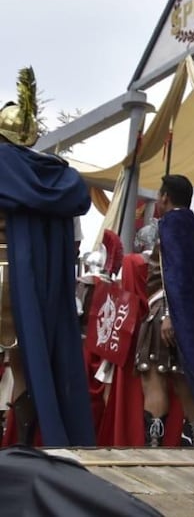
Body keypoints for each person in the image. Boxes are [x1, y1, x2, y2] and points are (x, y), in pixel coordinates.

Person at [0, 67, 95, 447]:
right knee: (26, 365)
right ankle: (22, 444)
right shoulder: (59, 177)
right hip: (34, 283)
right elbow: (71, 242)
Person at [134, 175, 194, 447]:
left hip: (165, 317)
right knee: (185, 384)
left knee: (153, 380)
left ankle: (154, 450)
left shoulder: (171, 225)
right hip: (192, 323)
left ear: (164, 197)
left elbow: (170, 272)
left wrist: (166, 314)